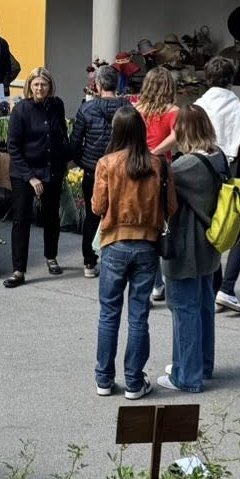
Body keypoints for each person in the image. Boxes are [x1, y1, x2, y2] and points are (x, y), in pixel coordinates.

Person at [90, 107, 176, 399]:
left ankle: (103, 380)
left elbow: (97, 207)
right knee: (139, 316)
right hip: (147, 245)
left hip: (114, 243)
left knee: (108, 314)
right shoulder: (158, 164)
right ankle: (134, 382)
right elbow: (171, 207)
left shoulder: (107, 163)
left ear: (117, 132)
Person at [156, 105, 223, 393]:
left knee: (184, 309)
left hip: (186, 247)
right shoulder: (218, 157)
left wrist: (164, 144)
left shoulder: (186, 167)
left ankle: (187, 375)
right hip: (209, 245)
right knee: (203, 307)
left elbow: (153, 166)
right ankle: (202, 364)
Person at [195, 56, 240, 314]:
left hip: (205, 169)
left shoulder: (198, 106)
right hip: (236, 173)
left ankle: (215, 287)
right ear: (231, 79)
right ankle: (227, 288)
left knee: (213, 229)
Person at [5, 67, 69, 286]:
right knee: (21, 219)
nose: (40, 88)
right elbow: (12, 147)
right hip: (25, 173)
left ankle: (51, 257)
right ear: (29, 87)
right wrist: (31, 177)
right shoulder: (21, 110)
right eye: (36, 85)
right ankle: (18, 270)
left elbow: (61, 134)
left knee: (51, 217)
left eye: (44, 84)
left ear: (50, 86)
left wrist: (63, 164)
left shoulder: (56, 106)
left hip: (51, 170)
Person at [68, 66, 134, 277]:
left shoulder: (87, 109)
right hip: (122, 170)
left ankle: (89, 262)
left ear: (97, 85)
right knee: (121, 214)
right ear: (118, 84)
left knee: (92, 214)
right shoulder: (128, 109)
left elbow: (75, 142)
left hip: (93, 170)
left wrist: (83, 161)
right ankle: (118, 260)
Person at [137, 66, 181, 156]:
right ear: (169, 86)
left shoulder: (137, 108)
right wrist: (154, 153)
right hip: (161, 160)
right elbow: (176, 136)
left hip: (138, 158)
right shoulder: (174, 111)